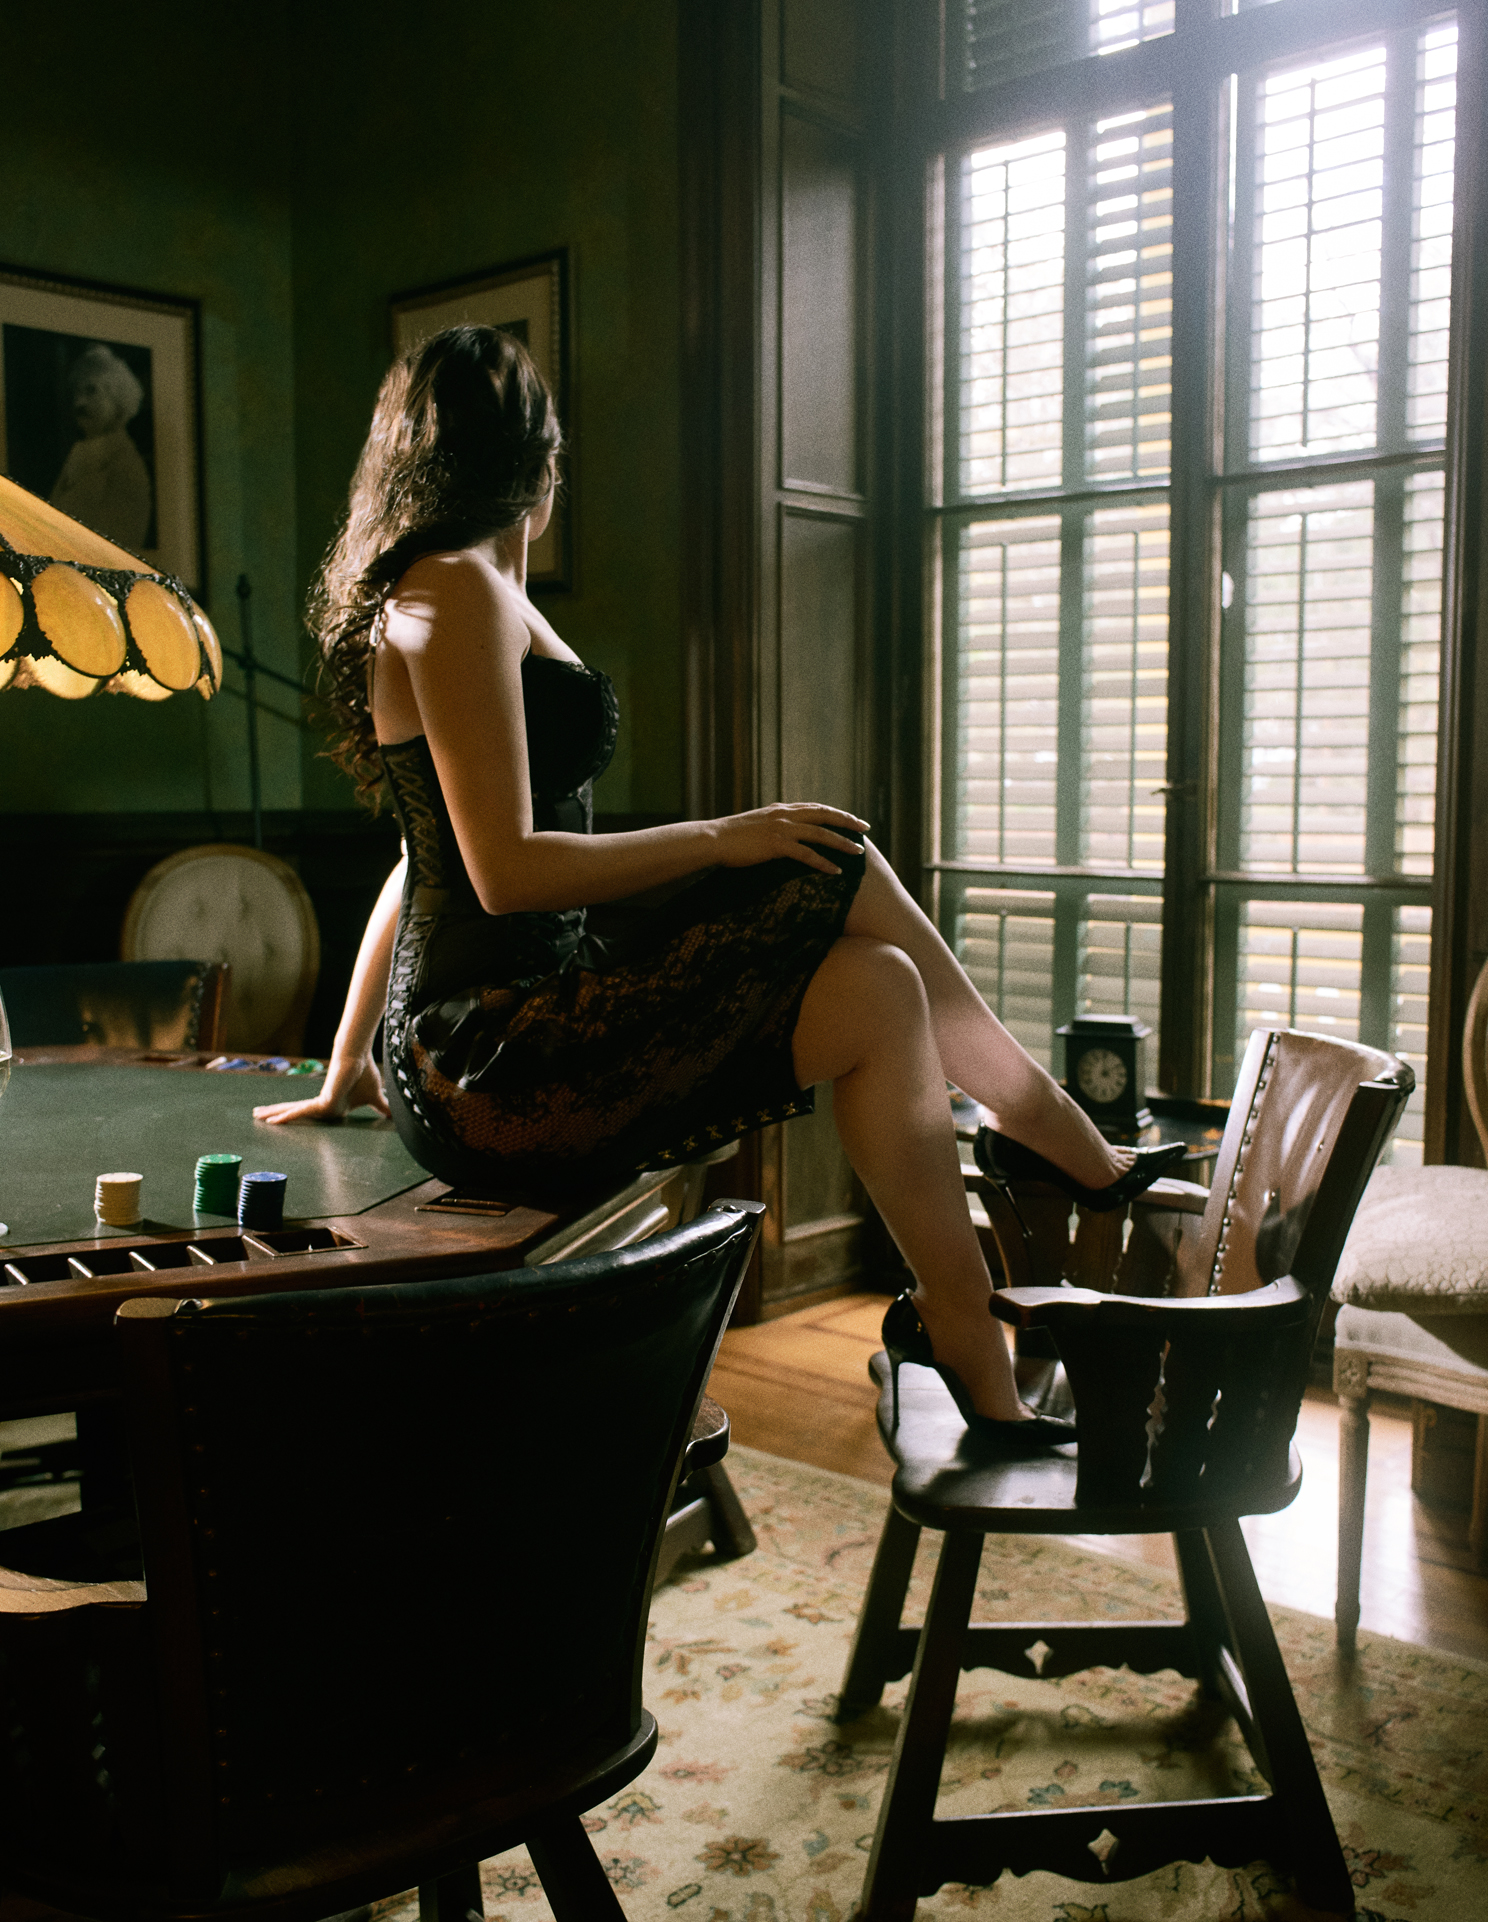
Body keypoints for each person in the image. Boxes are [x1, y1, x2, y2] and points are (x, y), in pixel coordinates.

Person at [255, 326, 1179, 1447]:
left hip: (494, 1034)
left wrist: (351, 1061)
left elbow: (419, 856)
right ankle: (1047, 1125)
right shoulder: (451, 595)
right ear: (542, 466)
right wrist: (721, 837)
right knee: (832, 858)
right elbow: (495, 876)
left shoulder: (458, 594)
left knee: (882, 986)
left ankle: (972, 1345)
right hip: (495, 1055)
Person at [49, 344, 152, 550]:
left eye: (91, 391)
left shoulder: (125, 464)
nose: (79, 403)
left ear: (117, 397)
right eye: (76, 392)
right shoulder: (80, 454)